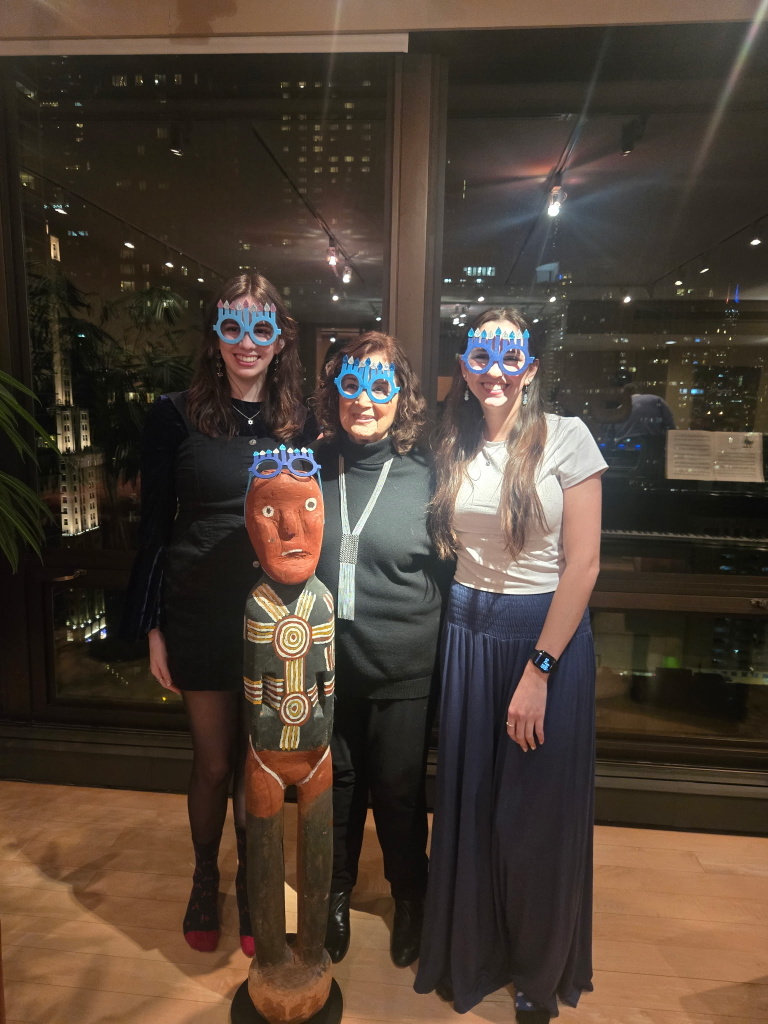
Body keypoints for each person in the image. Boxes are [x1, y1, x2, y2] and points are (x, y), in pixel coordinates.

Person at [414, 309, 607, 1023]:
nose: (493, 371)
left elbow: (583, 565)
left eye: (509, 356)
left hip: (544, 639)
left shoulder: (567, 437)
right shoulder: (450, 441)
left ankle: (536, 970)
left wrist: (540, 669)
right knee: (471, 807)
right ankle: (475, 953)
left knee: (534, 818)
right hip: (468, 634)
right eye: (480, 356)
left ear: (529, 366)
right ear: (464, 364)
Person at [121, 272, 314, 955]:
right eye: (232, 327)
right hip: (198, 609)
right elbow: (153, 527)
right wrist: (153, 626)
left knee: (259, 763)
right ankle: (206, 875)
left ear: (280, 339)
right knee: (211, 762)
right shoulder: (174, 415)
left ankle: (256, 881)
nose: (246, 342)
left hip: (274, 614)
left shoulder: (300, 421)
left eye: (261, 328)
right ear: (215, 336)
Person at [313, 332, 448, 969]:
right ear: (335, 392)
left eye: (380, 386)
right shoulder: (313, 467)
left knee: (397, 792)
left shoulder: (428, 476)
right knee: (338, 788)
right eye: (351, 384)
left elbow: (450, 574)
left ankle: (409, 898)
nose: (363, 400)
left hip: (403, 666)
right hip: (330, 666)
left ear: (402, 396)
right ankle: (335, 894)